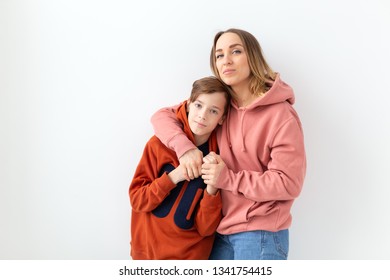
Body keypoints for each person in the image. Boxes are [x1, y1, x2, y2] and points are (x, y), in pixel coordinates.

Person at [150, 28, 306, 260]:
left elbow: (288, 183)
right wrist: (186, 149)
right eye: (219, 55)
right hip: (219, 232)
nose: (226, 60)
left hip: (260, 234)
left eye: (236, 51)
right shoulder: (219, 106)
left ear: (252, 57)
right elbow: (162, 116)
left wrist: (228, 179)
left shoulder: (281, 115)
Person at [129, 76, 231, 259]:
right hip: (146, 257)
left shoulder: (218, 160)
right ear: (188, 104)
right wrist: (174, 176)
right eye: (199, 105)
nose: (202, 115)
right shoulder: (158, 145)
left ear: (222, 118)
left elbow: (206, 228)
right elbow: (137, 200)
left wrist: (212, 188)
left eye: (213, 111)